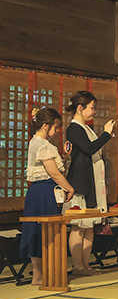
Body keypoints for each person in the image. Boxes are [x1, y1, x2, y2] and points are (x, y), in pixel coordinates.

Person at [63, 91, 115, 276]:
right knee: (78, 225)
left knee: (90, 225)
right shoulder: (74, 128)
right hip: (80, 182)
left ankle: (86, 265)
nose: (94, 112)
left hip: (92, 181)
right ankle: (78, 265)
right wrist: (107, 134)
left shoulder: (86, 128)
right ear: (80, 108)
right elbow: (90, 148)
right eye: (92, 108)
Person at [21, 108, 73, 286]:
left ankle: (39, 274)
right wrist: (70, 188)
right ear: (45, 126)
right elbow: (54, 174)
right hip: (44, 191)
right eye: (56, 127)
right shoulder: (43, 145)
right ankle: (42, 274)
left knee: (37, 231)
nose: (57, 131)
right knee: (47, 231)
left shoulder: (35, 142)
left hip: (37, 191)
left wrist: (63, 157)